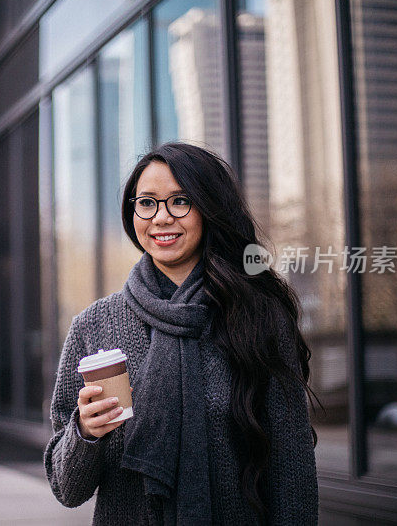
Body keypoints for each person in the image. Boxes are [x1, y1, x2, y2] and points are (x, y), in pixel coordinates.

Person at [44, 142, 318, 525]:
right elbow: (66, 488)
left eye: (180, 201)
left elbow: (293, 469)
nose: (161, 217)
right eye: (147, 202)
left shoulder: (258, 316)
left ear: (209, 209)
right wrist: (85, 431)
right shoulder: (94, 325)